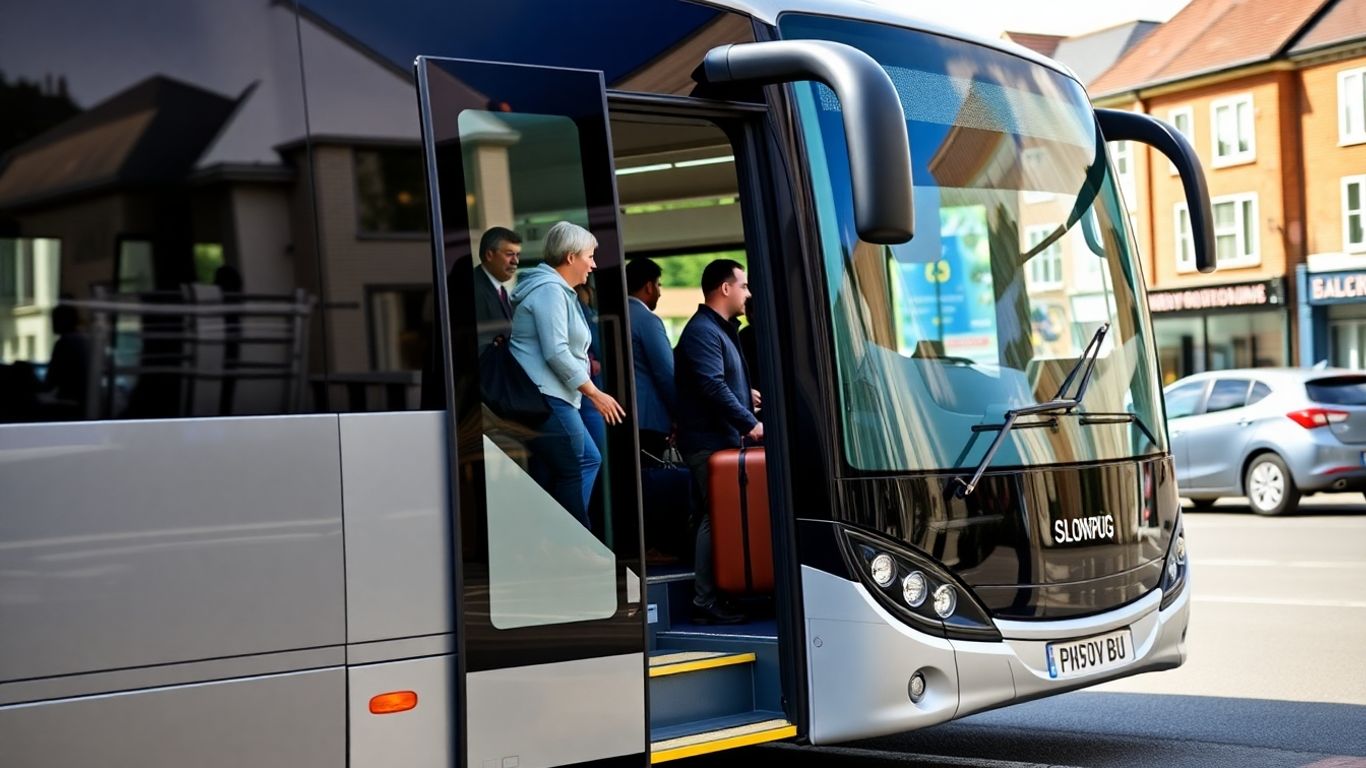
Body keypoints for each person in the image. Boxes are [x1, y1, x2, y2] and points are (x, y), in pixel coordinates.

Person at [509, 221, 625, 530]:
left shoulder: (560, 291)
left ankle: (549, 540)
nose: (594, 264)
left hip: (557, 396)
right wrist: (594, 393)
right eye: (590, 256)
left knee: (565, 467)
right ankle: (572, 541)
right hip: (548, 397)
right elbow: (556, 351)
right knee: (581, 461)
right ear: (571, 256)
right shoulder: (549, 291)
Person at [674, 259, 761, 624]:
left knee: (716, 517)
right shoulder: (703, 332)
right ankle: (704, 601)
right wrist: (749, 422)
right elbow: (711, 385)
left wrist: (747, 395)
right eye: (743, 286)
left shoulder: (718, 329)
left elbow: (719, 380)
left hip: (720, 439)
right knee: (715, 518)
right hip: (709, 442)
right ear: (724, 288)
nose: (748, 293)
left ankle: (713, 597)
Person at [626, 258, 676, 459]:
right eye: (659, 284)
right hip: (650, 419)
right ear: (649, 286)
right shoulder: (647, 320)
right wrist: (678, 414)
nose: (660, 291)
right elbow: (666, 372)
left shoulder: (617, 315)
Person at [473, 226, 521, 350]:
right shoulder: (475, 289)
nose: (515, 261)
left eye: (517, 255)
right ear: (489, 255)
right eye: (509, 254)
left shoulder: (501, 290)